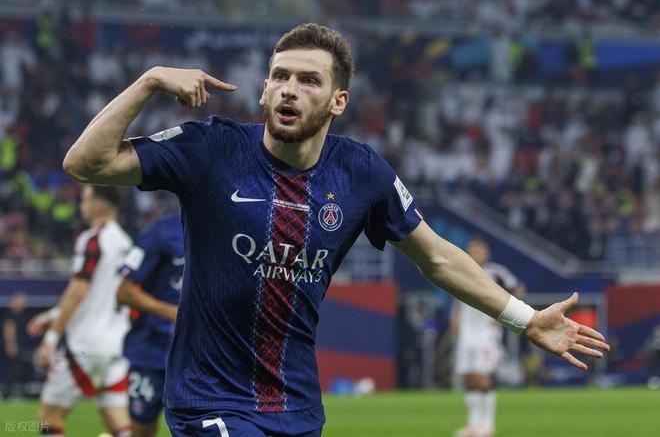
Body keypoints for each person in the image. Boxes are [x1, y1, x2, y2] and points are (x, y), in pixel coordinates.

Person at [62, 23, 610, 436]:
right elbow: (85, 163)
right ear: (263, 89)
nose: (289, 90)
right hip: (210, 401)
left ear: (338, 101)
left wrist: (524, 319)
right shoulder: (211, 148)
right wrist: (149, 82)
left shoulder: (360, 173)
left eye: (308, 81)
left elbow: (438, 258)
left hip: (297, 407)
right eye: (280, 76)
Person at [33, 185, 132, 437]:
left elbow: (78, 292)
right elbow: (103, 294)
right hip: (116, 345)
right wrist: (53, 314)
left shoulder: (92, 240)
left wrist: (50, 338)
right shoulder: (125, 243)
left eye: (85, 200)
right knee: (117, 421)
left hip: (85, 346)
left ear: (99, 204)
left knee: (48, 419)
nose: (81, 206)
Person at [116, 210, 183, 437]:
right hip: (152, 352)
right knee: (142, 428)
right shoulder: (161, 231)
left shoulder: (221, 229)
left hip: (197, 356)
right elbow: (124, 292)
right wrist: (174, 313)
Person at [451, 237, 525, 437]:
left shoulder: (496, 272)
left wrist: (505, 316)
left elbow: (518, 288)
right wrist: (455, 317)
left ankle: (488, 425)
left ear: (487, 253)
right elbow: (457, 296)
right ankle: (473, 424)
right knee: (469, 377)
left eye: (478, 251)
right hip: (466, 331)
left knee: (483, 377)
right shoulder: (462, 271)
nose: (475, 254)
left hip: (486, 333)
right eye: (471, 251)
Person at [2, 291, 32, 399]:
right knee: (13, 370)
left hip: (22, 347)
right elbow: (9, 331)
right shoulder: (10, 315)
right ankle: (6, 392)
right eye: (20, 301)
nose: (23, 303)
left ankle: (18, 391)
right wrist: (11, 346)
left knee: (21, 370)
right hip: (14, 347)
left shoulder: (23, 315)